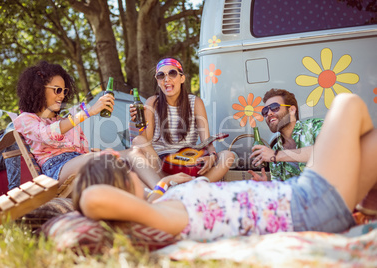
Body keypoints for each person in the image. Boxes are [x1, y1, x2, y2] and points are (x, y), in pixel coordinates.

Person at [73, 93, 377, 241]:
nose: (132, 172)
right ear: (122, 190)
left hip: (303, 201)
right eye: (125, 174)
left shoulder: (160, 201)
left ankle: (368, 202)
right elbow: (92, 198)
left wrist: (164, 184)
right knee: (348, 104)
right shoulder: (157, 215)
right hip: (304, 207)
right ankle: (366, 201)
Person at [129, 57, 235, 185]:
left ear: (182, 78)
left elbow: (207, 141)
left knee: (228, 156)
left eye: (172, 73)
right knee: (138, 141)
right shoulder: (152, 102)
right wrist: (138, 123)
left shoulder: (195, 102)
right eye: (161, 75)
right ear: (158, 81)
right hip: (162, 164)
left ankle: (190, 185)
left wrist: (212, 156)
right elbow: (146, 140)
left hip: (189, 162)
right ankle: (168, 183)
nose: (167, 79)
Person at [13, 61, 116, 186]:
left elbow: (83, 151)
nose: (62, 95)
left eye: (64, 91)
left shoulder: (65, 121)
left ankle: (145, 197)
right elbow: (46, 134)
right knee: (108, 158)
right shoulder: (25, 119)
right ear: (38, 89)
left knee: (133, 154)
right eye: (58, 90)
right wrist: (88, 112)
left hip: (78, 161)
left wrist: (93, 153)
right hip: (56, 168)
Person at [248, 88, 324, 181]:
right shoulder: (275, 151)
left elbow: (328, 150)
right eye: (265, 111)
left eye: (275, 107)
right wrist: (267, 186)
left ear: (292, 110)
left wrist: (277, 155)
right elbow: (281, 191)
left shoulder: (314, 126)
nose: (269, 113)